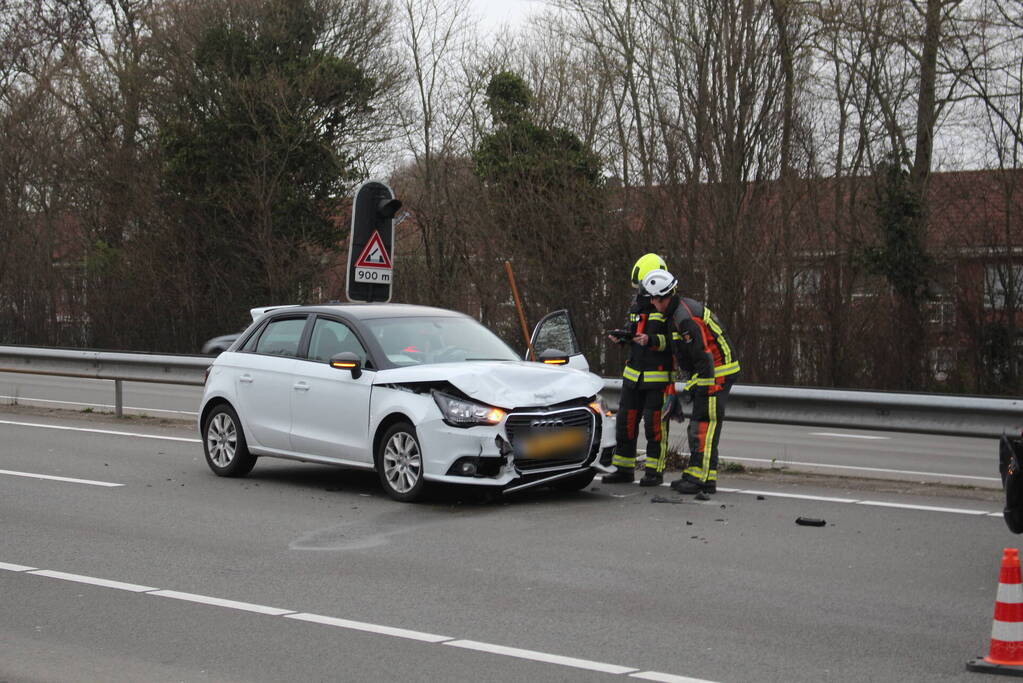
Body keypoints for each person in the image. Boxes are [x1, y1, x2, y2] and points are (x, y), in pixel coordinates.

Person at [641, 268, 740, 495]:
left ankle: (701, 477)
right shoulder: (675, 314)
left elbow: (702, 355)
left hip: (717, 372)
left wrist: (704, 386)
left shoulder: (685, 319)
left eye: (654, 299)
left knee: (703, 423)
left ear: (662, 298)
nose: (652, 304)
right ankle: (701, 474)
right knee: (699, 423)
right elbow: (685, 355)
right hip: (709, 371)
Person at [603, 253, 676, 486]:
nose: (639, 292)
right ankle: (624, 469)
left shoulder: (667, 307)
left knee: (654, 427)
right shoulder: (637, 305)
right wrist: (623, 337)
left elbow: (674, 342)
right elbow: (631, 328)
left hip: (657, 377)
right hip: (633, 377)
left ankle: (654, 473)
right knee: (625, 424)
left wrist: (652, 340)